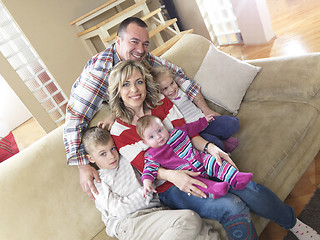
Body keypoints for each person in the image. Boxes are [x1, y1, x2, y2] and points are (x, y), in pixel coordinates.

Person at [108, 59, 320, 240]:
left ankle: (294, 224)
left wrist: (211, 149)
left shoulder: (161, 102)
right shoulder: (119, 130)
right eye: (126, 84)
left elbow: (188, 135)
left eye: (139, 82)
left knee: (249, 187)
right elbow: (147, 166)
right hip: (171, 186)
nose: (134, 90)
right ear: (117, 90)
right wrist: (176, 177)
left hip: (197, 160)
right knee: (233, 206)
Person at [63, 16, 221, 201]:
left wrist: (206, 109)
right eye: (134, 42)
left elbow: (177, 75)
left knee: (213, 137)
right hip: (114, 117)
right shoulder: (99, 73)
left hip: (137, 115)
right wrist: (82, 166)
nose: (140, 49)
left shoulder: (142, 58)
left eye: (145, 44)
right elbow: (75, 117)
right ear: (118, 41)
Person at [82, 126, 219, 240]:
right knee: (189, 219)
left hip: (155, 212)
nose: (111, 156)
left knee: (208, 234)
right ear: (90, 158)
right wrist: (147, 190)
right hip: (128, 223)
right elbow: (119, 210)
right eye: (102, 154)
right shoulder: (98, 181)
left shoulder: (126, 158)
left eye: (112, 148)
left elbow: (152, 171)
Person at [136, 115, 253, 199]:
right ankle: (215, 190)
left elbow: (191, 127)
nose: (158, 137)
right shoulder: (152, 155)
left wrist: (204, 121)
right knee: (197, 184)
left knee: (214, 160)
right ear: (145, 143)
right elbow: (149, 169)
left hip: (200, 159)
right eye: (151, 137)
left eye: (160, 130)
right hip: (188, 173)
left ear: (164, 127)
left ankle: (235, 178)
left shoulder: (177, 133)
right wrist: (147, 183)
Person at [150, 66, 239, 152]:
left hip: (205, 120)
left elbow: (188, 84)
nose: (172, 89)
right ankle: (221, 143)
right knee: (216, 144)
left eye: (172, 83)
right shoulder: (165, 104)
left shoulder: (181, 90)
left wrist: (206, 112)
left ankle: (222, 138)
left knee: (233, 123)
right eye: (165, 88)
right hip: (194, 131)